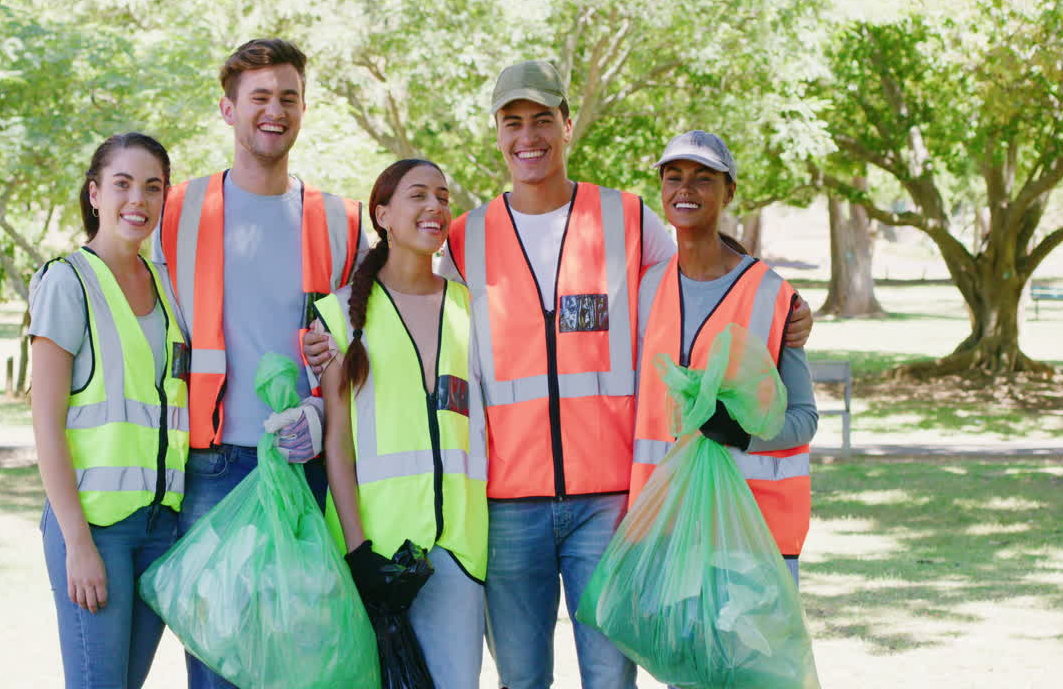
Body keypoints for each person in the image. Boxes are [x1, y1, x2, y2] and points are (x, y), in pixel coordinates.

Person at [305, 61, 813, 688]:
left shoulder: (625, 218)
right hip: (508, 508)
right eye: (512, 122)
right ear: (497, 133)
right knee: (522, 681)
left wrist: (783, 298)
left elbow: (701, 257)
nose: (529, 136)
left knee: (609, 678)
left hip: (608, 505)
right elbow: (401, 293)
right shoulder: (468, 237)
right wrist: (332, 336)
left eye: (543, 120)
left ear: (567, 126)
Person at [151, 38, 365, 689]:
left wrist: (317, 414)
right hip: (212, 471)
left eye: (289, 98)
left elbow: (356, 348)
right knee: (222, 666)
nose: (275, 111)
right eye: (260, 98)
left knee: (303, 665)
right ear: (228, 109)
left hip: (305, 472)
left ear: (304, 109)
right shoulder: (175, 211)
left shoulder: (340, 220)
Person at [316, 158, 488, 688]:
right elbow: (337, 448)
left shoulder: (471, 309)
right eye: (418, 195)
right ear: (383, 214)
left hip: (457, 550)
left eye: (442, 195)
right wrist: (357, 552)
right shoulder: (339, 316)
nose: (435, 206)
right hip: (375, 550)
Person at [29, 132, 189, 689]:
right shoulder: (66, 282)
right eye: (122, 184)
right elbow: (45, 424)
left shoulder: (166, 288)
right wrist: (78, 544)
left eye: (152, 187)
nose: (137, 200)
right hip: (96, 529)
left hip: (159, 530)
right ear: (95, 193)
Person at [632, 130, 817, 586]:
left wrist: (740, 431)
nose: (685, 190)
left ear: (729, 190)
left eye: (703, 178)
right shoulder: (645, 288)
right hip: (663, 530)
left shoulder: (773, 296)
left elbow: (805, 418)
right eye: (673, 177)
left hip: (751, 535)